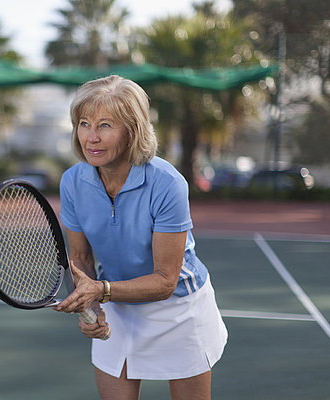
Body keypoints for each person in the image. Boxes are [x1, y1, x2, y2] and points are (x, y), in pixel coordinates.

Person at [54, 75, 227, 400]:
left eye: (105, 125)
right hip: (117, 304)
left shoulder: (167, 183)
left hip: (179, 308)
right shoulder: (72, 182)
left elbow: (165, 280)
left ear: (132, 129)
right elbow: (81, 260)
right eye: (84, 123)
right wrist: (91, 306)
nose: (91, 137)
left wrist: (100, 291)